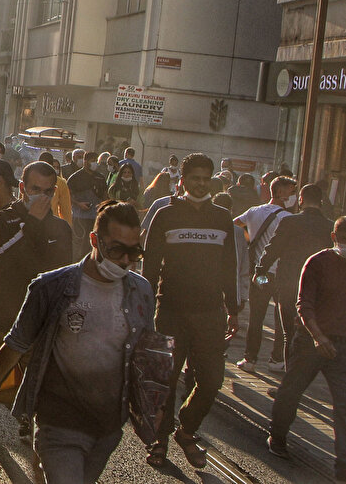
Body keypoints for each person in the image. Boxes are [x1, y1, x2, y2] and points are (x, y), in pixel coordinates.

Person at [0, 200, 148, 483]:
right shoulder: (52, 286)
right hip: (59, 419)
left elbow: (143, 352)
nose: (125, 261)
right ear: (94, 240)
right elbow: (16, 342)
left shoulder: (141, 290)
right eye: (116, 250)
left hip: (108, 426)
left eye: (133, 252)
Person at [0, 160, 72, 478]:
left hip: (40, 327)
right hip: (1, 318)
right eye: (36, 190)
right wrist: (32, 225)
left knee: (40, 397)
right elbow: (4, 260)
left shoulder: (61, 228)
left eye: (49, 191)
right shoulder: (2, 219)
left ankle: (39, 457)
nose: (43, 197)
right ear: (23, 188)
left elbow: (63, 275)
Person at [142, 153, 239, 469]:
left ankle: (187, 428)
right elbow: (150, 266)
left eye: (204, 178)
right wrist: (145, 306)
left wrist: (234, 308)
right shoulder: (166, 215)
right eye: (193, 178)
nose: (199, 183)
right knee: (165, 382)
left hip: (211, 314)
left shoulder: (223, 217)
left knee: (212, 380)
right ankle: (161, 441)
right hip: (170, 311)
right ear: (181, 180)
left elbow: (230, 266)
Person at [267, 217, 346, 483]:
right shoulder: (317, 262)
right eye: (345, 240)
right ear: (334, 237)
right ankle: (277, 436)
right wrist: (317, 336)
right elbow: (304, 304)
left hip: (342, 344)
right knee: (291, 391)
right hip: (310, 341)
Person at [255, 184, 335, 370]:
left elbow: (273, 249)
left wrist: (260, 270)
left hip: (289, 283)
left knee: (288, 332)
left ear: (300, 200)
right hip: (318, 287)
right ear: (321, 202)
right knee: (312, 329)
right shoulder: (329, 226)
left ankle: (291, 371)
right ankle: (305, 369)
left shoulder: (290, 222)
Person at [234, 175, 297, 373]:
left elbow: (235, 224)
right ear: (279, 192)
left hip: (259, 275)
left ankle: (250, 359)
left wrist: (249, 242)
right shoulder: (287, 218)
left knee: (257, 316)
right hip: (279, 275)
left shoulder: (253, 211)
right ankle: (276, 359)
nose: (293, 195)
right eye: (290, 191)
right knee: (280, 319)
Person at [68, 152, 105, 260]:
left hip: (95, 217)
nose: (95, 163)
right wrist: (78, 204)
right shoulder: (75, 178)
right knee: (78, 242)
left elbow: (105, 196)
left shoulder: (100, 177)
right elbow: (68, 195)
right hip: (79, 217)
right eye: (92, 161)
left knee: (92, 244)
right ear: (85, 161)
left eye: (95, 160)